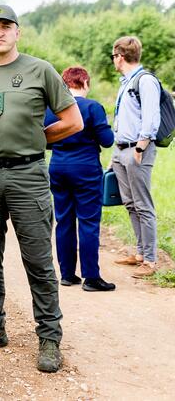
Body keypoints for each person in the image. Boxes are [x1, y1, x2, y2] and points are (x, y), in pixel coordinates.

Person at [0, 4, 83, 373]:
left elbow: (72, 122)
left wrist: (35, 139)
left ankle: (49, 335)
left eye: (5, 27)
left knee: (39, 260)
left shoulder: (39, 70)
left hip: (27, 174)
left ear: (17, 32)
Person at [45, 66, 116, 291]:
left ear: (64, 85)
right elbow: (107, 140)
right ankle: (91, 277)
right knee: (88, 221)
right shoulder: (93, 107)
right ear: (85, 83)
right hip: (85, 168)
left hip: (58, 166)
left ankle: (67, 274)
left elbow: (45, 140)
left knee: (64, 219)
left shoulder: (52, 109)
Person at [110, 36, 160, 278]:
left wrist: (140, 148)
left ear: (120, 56)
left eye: (113, 56)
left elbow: (151, 118)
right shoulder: (125, 82)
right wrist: (115, 153)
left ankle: (150, 260)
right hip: (121, 149)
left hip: (137, 149)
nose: (113, 61)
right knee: (130, 203)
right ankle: (139, 253)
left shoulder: (145, 81)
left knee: (143, 204)